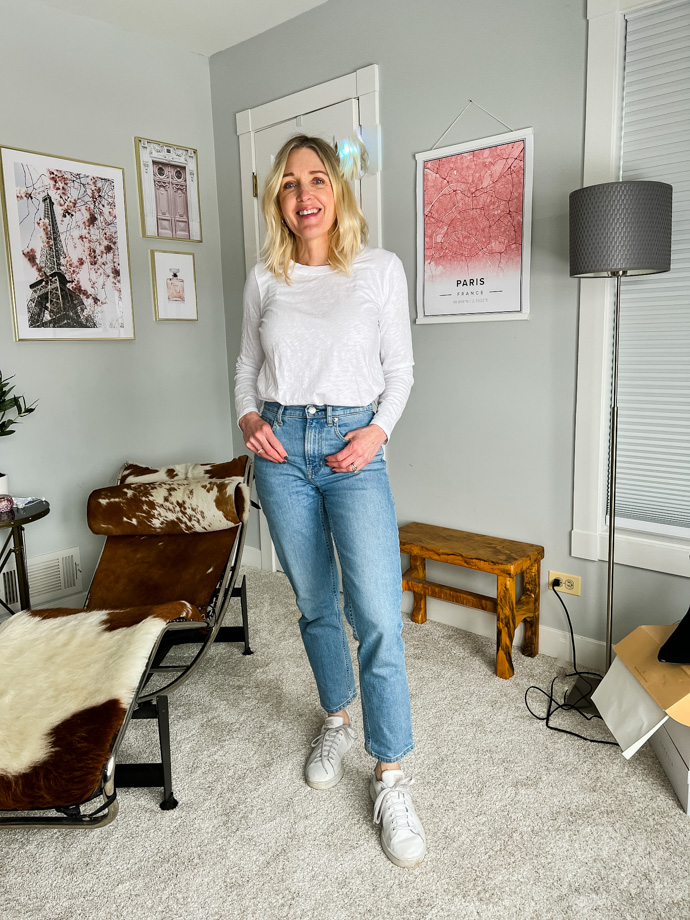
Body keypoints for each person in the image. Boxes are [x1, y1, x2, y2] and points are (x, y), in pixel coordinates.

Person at [235, 134, 426, 869]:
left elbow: (400, 371)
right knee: (315, 604)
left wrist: (376, 433)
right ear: (276, 201)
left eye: (317, 179)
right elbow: (247, 370)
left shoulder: (378, 270)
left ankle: (390, 774)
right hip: (281, 451)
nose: (304, 193)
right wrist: (250, 419)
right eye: (289, 183)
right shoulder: (264, 278)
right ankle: (337, 719)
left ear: (339, 192)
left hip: (354, 450)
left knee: (377, 612)